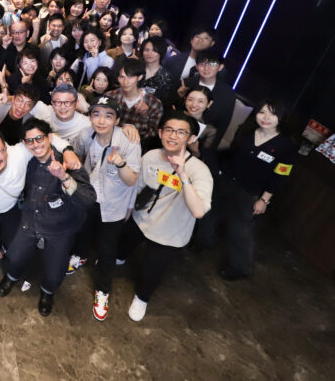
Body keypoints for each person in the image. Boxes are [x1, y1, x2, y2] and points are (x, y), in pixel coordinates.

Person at [0, 129, 76, 289]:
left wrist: (67, 150)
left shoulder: (19, 153)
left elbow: (46, 138)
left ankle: (4, 253)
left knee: (14, 242)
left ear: (6, 149)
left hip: (10, 208)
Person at [0, 119, 96, 316]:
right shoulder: (26, 161)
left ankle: (47, 292)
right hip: (30, 221)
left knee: (55, 271)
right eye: (30, 141)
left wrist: (63, 177)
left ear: (50, 137)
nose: (35, 144)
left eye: (40, 138)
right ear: (24, 143)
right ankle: (11, 276)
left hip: (61, 228)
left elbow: (88, 200)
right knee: (14, 257)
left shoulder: (68, 162)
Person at [119, 112, 212, 322]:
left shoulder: (200, 171)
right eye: (168, 130)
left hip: (170, 233)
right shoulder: (151, 156)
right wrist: (128, 211)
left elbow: (198, 211)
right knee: (124, 243)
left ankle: (141, 298)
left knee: (152, 270)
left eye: (181, 132)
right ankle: (120, 257)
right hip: (141, 218)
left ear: (191, 138)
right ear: (160, 133)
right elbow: (137, 186)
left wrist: (183, 175)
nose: (173, 136)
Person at [196, 100, 295, 281]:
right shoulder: (246, 131)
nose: (266, 118)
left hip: (249, 193)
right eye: (262, 112)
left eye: (272, 114)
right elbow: (232, 154)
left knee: (239, 230)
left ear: (281, 118)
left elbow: (279, 176)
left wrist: (264, 200)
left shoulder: (286, 146)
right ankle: (204, 241)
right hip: (225, 181)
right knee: (209, 213)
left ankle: (240, 267)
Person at [68, 95, 141, 321]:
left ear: (117, 120)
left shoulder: (129, 142)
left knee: (107, 249)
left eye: (108, 116)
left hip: (114, 204)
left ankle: (102, 290)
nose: (101, 121)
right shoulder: (85, 135)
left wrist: (120, 163)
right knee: (83, 231)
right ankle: (80, 256)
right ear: (90, 117)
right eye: (96, 114)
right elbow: (77, 156)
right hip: (90, 197)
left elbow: (132, 180)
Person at [178, 49, 235, 147]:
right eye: (202, 63)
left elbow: (223, 125)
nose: (206, 68)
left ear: (220, 67)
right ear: (196, 66)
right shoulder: (186, 83)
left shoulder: (228, 94)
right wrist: (179, 97)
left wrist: (207, 151)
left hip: (203, 142)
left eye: (212, 64)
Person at [107, 59, 164, 143]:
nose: (125, 82)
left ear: (140, 77)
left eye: (130, 77)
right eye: (122, 77)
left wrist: (145, 116)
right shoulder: (109, 96)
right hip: (109, 143)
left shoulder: (154, 103)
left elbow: (152, 134)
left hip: (139, 146)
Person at [139, 36, 176, 105]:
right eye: (146, 50)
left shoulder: (167, 78)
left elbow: (166, 104)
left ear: (161, 52)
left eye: (154, 50)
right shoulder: (135, 69)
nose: (149, 53)